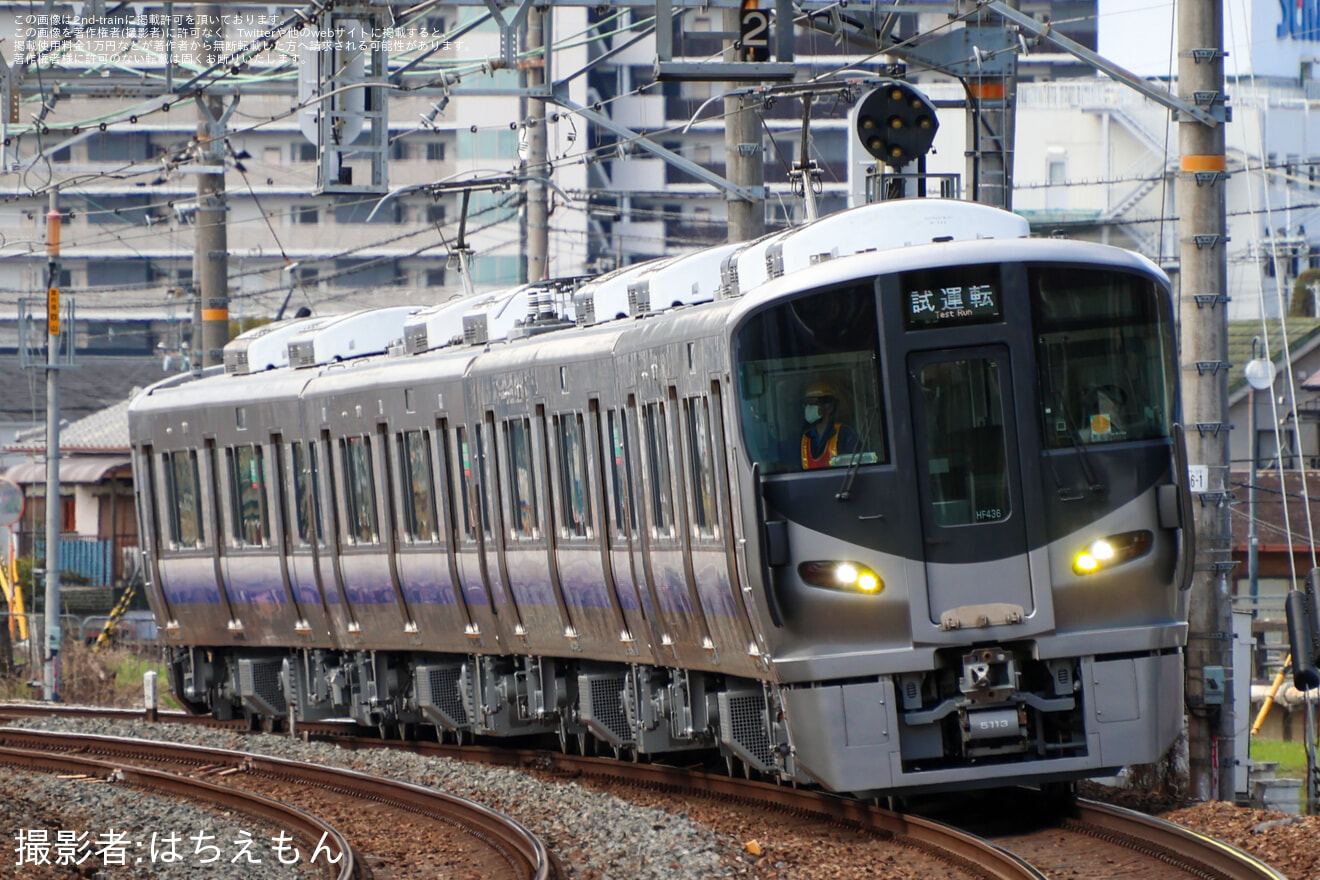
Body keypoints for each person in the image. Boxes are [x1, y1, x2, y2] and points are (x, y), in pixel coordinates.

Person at [800, 381, 860, 469]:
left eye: (813, 403)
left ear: (829, 407)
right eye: (807, 403)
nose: (809, 408)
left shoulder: (845, 435)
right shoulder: (806, 439)